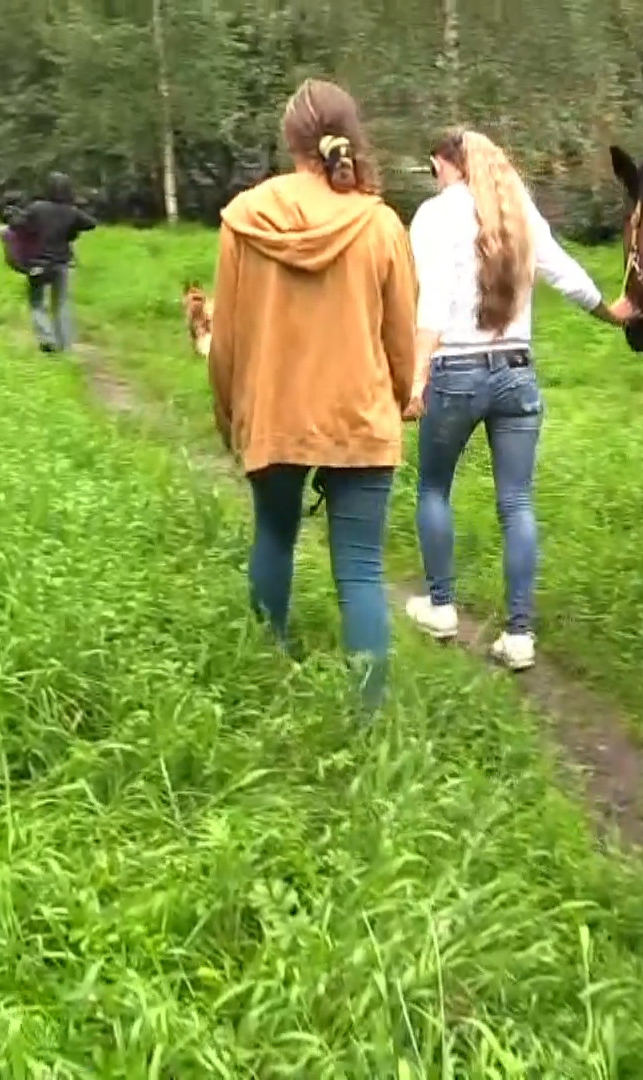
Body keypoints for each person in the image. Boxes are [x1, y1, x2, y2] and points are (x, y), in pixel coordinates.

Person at [208, 78, 419, 715]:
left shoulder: (245, 218)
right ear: (345, 135)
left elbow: (227, 341)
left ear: (289, 138)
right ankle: (369, 720)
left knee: (272, 538)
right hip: (359, 418)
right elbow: (401, 335)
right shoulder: (380, 223)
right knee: (359, 569)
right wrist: (400, 397)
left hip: (273, 412)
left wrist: (229, 414)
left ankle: (265, 682)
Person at [402, 128, 632, 671]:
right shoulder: (517, 209)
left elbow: (431, 300)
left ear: (446, 163)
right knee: (517, 504)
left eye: (433, 165)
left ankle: (439, 606)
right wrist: (613, 312)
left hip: (455, 371)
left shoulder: (434, 216)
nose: (434, 175)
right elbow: (568, 275)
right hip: (516, 371)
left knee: (434, 486)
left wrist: (415, 378)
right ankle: (520, 636)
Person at [14, 172, 98, 353]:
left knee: (36, 302)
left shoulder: (37, 208)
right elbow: (91, 224)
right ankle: (65, 345)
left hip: (38, 263)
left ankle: (47, 339)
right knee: (62, 304)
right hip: (62, 263)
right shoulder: (71, 212)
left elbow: (18, 224)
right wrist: (72, 228)